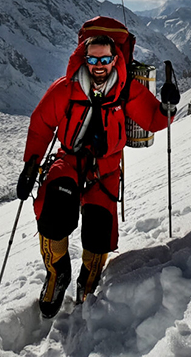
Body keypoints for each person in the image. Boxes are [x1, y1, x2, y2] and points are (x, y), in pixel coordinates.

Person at [16, 32, 180, 317]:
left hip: (105, 166)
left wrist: (168, 106)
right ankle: (57, 274)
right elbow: (41, 124)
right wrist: (31, 165)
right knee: (54, 209)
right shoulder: (66, 88)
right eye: (93, 59)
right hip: (68, 158)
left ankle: (87, 283)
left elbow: (153, 119)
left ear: (115, 60)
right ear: (85, 58)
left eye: (105, 59)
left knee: (99, 228)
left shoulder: (125, 89)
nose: (99, 65)